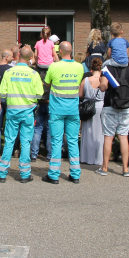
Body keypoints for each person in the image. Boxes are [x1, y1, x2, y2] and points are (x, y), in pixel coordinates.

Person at [0, 46, 43, 182]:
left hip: (12, 111)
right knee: (26, 142)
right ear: (30, 58)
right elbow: (39, 94)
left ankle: (2, 173)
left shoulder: (9, 72)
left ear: (18, 56)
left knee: (9, 141)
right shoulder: (34, 74)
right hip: (28, 112)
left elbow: (2, 93)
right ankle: (25, 174)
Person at [42, 41, 85, 184]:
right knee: (73, 141)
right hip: (73, 110)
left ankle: (54, 175)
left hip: (57, 110)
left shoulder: (54, 66)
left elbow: (47, 83)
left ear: (60, 51)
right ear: (71, 51)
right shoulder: (79, 67)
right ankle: (75, 174)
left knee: (56, 141)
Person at [98, 59, 129, 176]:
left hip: (110, 107)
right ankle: (125, 169)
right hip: (125, 108)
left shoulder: (107, 70)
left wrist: (101, 81)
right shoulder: (128, 71)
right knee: (123, 138)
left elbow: (103, 88)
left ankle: (105, 168)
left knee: (108, 138)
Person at [79, 57, 105, 166]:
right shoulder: (103, 80)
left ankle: (86, 158)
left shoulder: (85, 80)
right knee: (99, 133)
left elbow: (80, 95)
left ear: (91, 69)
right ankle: (98, 158)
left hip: (87, 106)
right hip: (100, 106)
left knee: (87, 132)